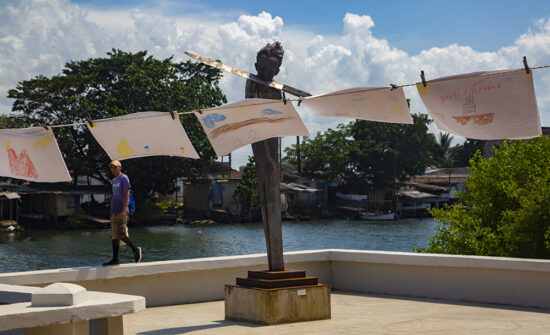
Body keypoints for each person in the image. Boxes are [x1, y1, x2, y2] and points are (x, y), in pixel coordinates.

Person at [103, 160, 142, 266]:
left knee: (121, 234)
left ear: (120, 167)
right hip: (114, 210)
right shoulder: (114, 180)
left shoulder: (124, 178)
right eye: (111, 168)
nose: (113, 169)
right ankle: (115, 260)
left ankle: (135, 249)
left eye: (115, 167)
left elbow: (127, 195)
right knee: (114, 235)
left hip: (122, 211)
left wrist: (124, 210)